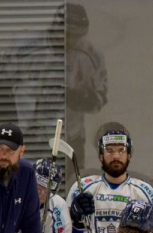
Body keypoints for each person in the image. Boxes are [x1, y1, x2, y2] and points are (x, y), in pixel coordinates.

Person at [67, 130, 153, 233]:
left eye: (121, 150)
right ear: (100, 156)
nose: (116, 156)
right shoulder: (81, 188)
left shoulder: (144, 191)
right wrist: (76, 223)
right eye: (109, 150)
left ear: (129, 156)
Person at [4, 158, 72, 233]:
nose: (40, 193)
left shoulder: (58, 210)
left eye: (46, 189)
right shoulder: (9, 196)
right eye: (37, 186)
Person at [65, 3, 108, 169]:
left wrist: (84, 99)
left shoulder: (91, 54)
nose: (72, 39)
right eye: (69, 33)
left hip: (73, 137)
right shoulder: (37, 52)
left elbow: (101, 96)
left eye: (78, 34)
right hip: (40, 136)